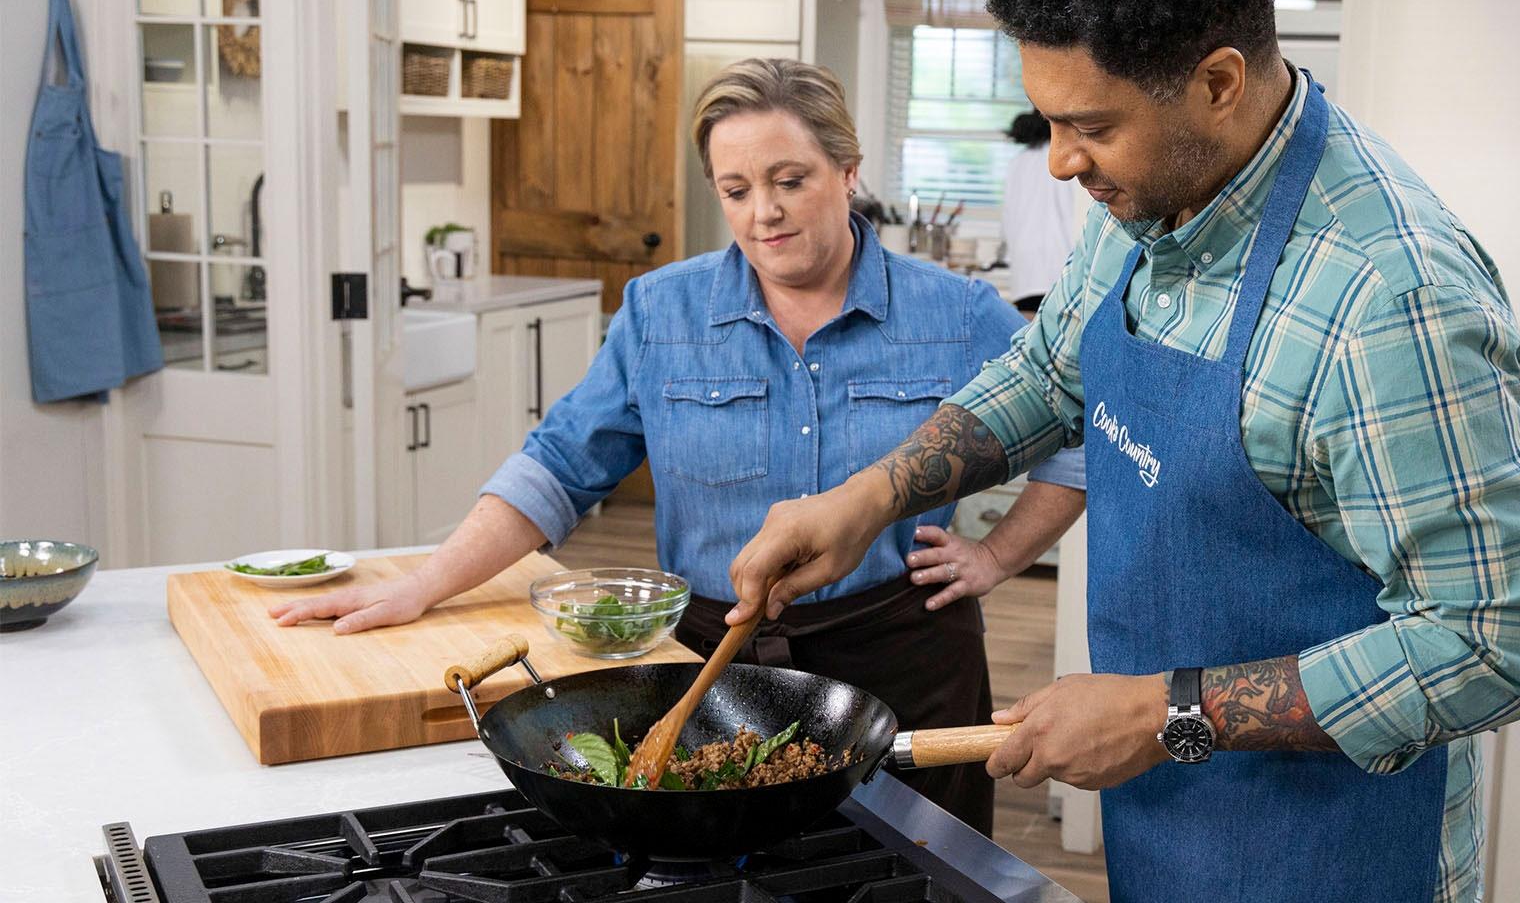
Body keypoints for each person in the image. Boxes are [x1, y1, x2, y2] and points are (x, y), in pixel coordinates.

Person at [720, 0, 1520, 903]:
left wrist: (1167, 715)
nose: (1061, 160)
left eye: (1092, 126)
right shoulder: (1152, 196)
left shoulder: (1388, 297)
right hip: (1170, 820)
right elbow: (1049, 373)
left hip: (1335, 852)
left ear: (1217, 84)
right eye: (1053, 120)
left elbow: (1496, 643)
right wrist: (868, 497)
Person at [270, 58, 1085, 834]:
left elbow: (1077, 435)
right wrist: (423, 584)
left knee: (920, 873)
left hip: (905, 659)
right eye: (736, 190)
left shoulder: (956, 313)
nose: (763, 212)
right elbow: (559, 466)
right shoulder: (660, 314)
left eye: (790, 181)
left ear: (848, 172)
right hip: (708, 673)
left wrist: (998, 555)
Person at [999, 109, 1079, 314]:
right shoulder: (1071, 160)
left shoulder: (1018, 162)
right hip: (1063, 272)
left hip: (1025, 275)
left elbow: (1007, 220)